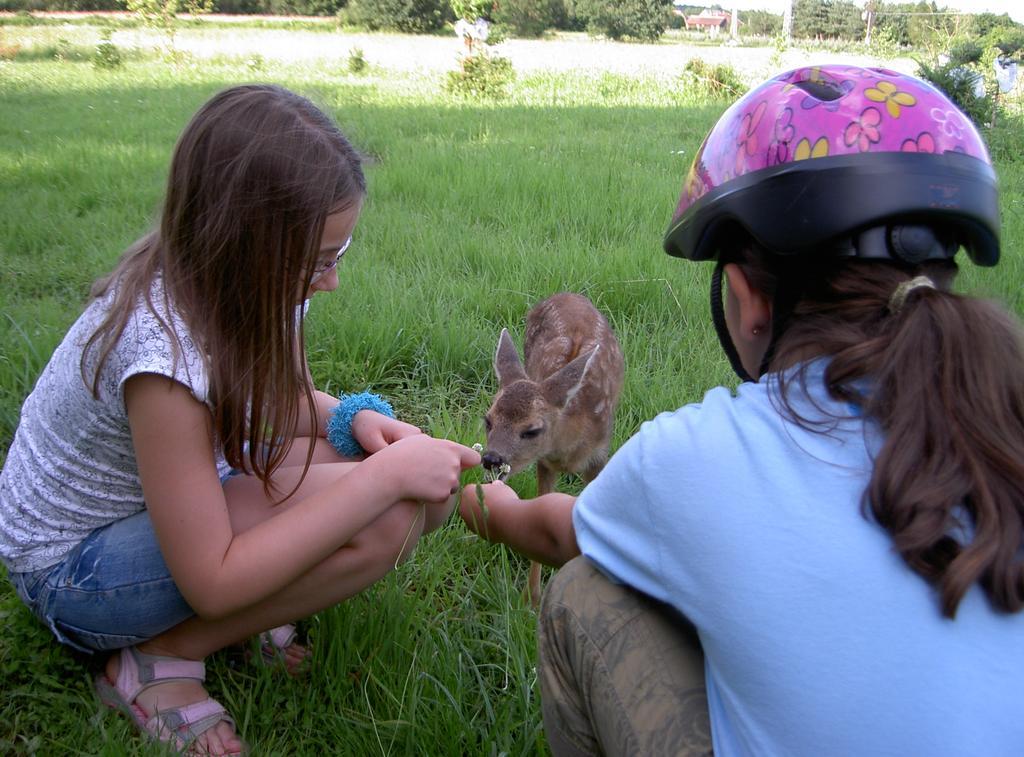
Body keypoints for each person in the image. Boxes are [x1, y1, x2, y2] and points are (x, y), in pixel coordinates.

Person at [460, 64, 1024, 756]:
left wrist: (476, 498)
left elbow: (553, 532)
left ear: (746, 298)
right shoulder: (1006, 412)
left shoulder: (703, 451)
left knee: (584, 593)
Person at [0, 84, 480, 755]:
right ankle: (160, 661)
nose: (331, 282)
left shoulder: (250, 283)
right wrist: (384, 476)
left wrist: (352, 419)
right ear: (244, 242)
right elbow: (212, 576)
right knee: (388, 506)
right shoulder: (162, 354)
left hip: (176, 497)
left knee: (405, 495)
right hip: (75, 567)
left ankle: (243, 612)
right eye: (317, 261)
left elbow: (276, 401)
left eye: (337, 256)